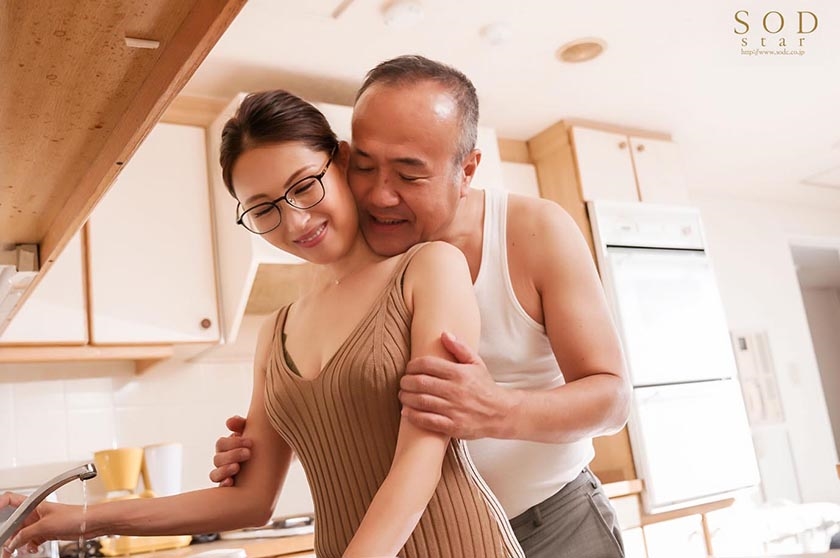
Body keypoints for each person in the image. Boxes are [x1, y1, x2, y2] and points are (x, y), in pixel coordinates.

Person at [1, 90, 524, 558]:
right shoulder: (277, 332)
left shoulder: (429, 268)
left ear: (341, 161)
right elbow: (249, 501)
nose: (295, 221)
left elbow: (421, 460)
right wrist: (82, 518)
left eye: (305, 186)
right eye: (263, 209)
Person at [211, 55, 632, 558]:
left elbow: (613, 399)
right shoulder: (342, 244)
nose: (380, 196)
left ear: (466, 170)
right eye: (365, 166)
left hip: (555, 524)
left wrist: (499, 411)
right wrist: (290, 432)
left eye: (409, 175)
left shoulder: (532, 231)